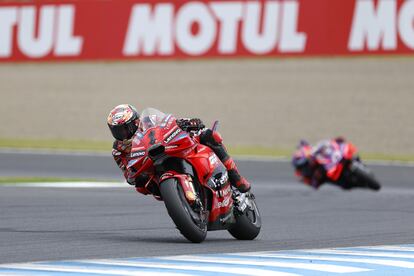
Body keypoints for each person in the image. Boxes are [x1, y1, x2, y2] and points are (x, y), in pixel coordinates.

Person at [107, 104, 251, 195]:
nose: (122, 134)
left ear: (136, 122)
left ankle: (236, 177)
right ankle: (181, 200)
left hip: (168, 145)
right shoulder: (118, 150)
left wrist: (188, 122)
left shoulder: (149, 120)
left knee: (209, 135)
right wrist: (134, 177)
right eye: (117, 131)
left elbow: (169, 121)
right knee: (142, 187)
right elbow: (127, 173)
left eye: (125, 129)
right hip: (149, 168)